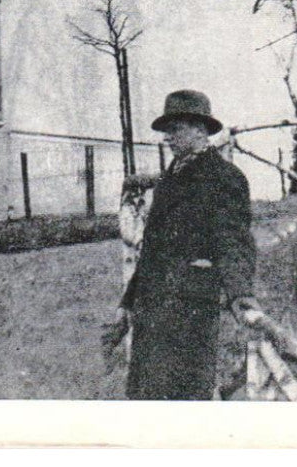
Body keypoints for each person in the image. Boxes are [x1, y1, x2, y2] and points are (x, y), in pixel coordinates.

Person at [103, 90, 258, 400]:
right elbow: (151, 250)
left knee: (185, 400)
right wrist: (127, 302)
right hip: (151, 312)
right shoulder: (167, 180)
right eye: (166, 131)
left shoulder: (224, 177)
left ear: (200, 130)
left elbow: (233, 242)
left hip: (189, 313)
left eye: (175, 129)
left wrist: (240, 293)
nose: (167, 138)